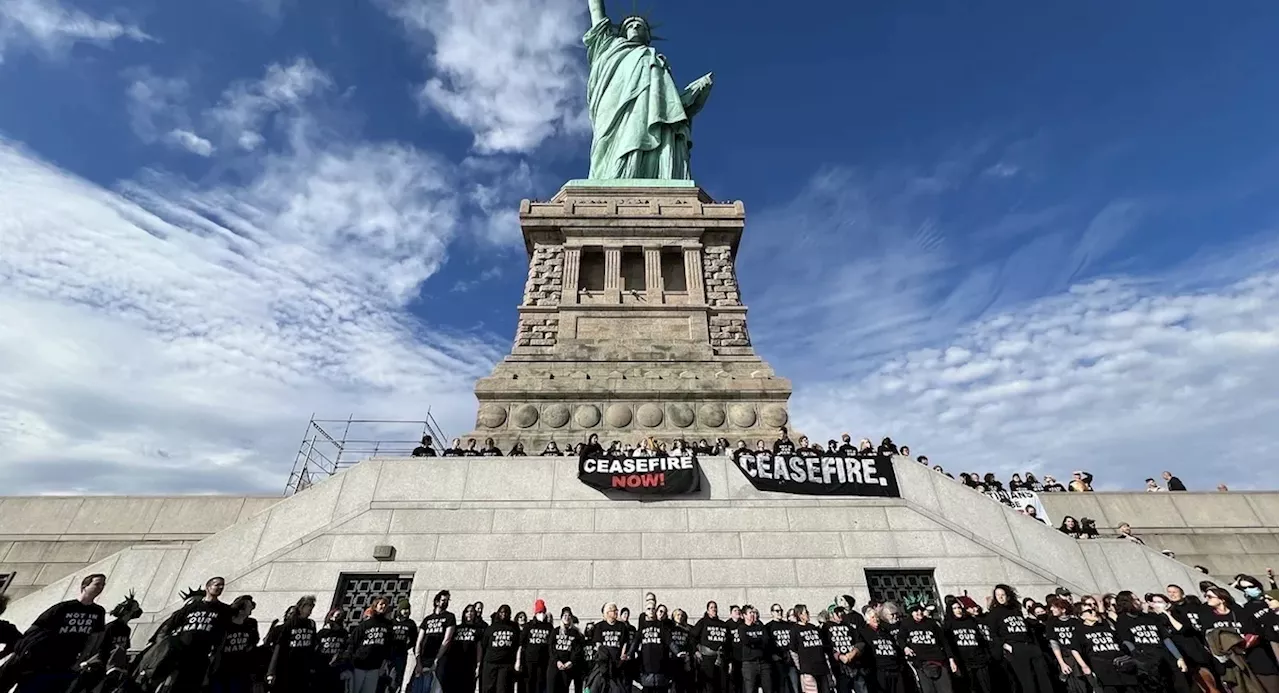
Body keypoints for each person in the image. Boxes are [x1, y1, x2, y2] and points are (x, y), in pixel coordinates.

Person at [0, 573, 107, 693]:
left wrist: (81, 660)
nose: (100, 587)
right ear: (84, 586)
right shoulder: (63, 608)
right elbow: (33, 630)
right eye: (97, 584)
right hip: (40, 660)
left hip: (65, 663)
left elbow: (94, 638)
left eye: (103, 585)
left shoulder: (98, 612)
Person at [988, 584, 1053, 693]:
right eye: (997, 595)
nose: (1000, 597)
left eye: (1003, 595)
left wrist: (1035, 646)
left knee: (1044, 677)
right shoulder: (994, 613)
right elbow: (993, 634)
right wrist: (1006, 646)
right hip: (1015, 647)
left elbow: (1027, 629)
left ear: (1008, 596)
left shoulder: (1016, 610)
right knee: (1027, 681)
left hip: (1029, 645)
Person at [897, 600, 957, 693]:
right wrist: (905, 647)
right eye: (916, 610)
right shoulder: (906, 623)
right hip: (920, 663)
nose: (919, 612)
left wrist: (951, 659)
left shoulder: (931, 623)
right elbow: (900, 638)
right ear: (911, 612)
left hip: (938, 661)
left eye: (920, 610)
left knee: (946, 690)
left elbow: (944, 641)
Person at [267, 595, 318, 693]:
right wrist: (271, 671)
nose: (310, 611)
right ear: (301, 607)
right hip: (288, 666)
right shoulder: (290, 624)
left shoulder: (311, 624)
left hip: (303, 668)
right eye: (309, 608)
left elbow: (312, 646)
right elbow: (279, 646)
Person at [208, 595, 259, 693]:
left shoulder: (251, 623)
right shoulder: (225, 623)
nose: (251, 608)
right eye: (249, 606)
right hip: (221, 666)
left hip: (241, 667)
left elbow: (254, 640)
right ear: (240, 610)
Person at [346, 595, 396, 693]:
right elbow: (353, 642)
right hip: (360, 664)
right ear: (375, 606)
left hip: (375, 667)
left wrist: (384, 663)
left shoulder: (389, 625)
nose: (383, 606)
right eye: (381, 604)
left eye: (385, 605)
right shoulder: (365, 624)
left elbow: (388, 645)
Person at [944, 597, 991, 693]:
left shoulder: (970, 621)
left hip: (979, 659)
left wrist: (985, 655)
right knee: (972, 688)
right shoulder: (948, 625)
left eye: (959, 608)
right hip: (964, 662)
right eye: (954, 608)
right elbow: (948, 644)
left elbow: (980, 639)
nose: (958, 610)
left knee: (987, 687)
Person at [414, 590, 457, 691]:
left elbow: (447, 639)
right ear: (437, 601)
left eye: (447, 600)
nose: (445, 602)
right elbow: (419, 641)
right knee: (420, 687)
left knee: (435, 687)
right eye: (443, 600)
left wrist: (437, 659)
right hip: (424, 657)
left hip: (440, 657)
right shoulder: (427, 619)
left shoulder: (449, 617)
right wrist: (418, 660)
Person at [819, 606, 866, 693]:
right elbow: (825, 646)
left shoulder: (849, 626)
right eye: (837, 612)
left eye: (841, 611)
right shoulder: (825, 628)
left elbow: (860, 642)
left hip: (854, 663)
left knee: (861, 688)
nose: (841, 614)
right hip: (838, 667)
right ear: (831, 614)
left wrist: (853, 653)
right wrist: (839, 656)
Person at [442, 604, 482, 693]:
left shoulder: (478, 630)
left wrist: (478, 665)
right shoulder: (457, 628)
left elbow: (479, 649)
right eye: (467, 611)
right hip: (453, 664)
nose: (469, 613)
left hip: (469, 665)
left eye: (472, 611)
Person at [789, 605, 830, 693]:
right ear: (800, 615)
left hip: (821, 667)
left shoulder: (813, 627)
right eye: (806, 612)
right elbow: (793, 650)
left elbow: (822, 647)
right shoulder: (795, 629)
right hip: (808, 669)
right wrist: (800, 667)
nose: (808, 614)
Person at [860, 606, 901, 693]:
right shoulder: (864, 633)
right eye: (873, 617)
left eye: (877, 617)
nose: (876, 619)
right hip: (879, 671)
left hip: (894, 669)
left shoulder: (885, 632)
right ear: (867, 620)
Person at [690, 602, 728, 693]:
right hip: (707, 658)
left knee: (721, 685)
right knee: (708, 686)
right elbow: (692, 637)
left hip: (720, 658)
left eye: (715, 607)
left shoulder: (722, 624)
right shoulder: (702, 622)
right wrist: (695, 651)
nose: (714, 609)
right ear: (707, 610)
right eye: (711, 607)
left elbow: (728, 641)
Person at [734, 606, 771, 693]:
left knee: (768, 688)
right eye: (750, 613)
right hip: (749, 663)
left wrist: (755, 642)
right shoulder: (742, 628)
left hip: (763, 662)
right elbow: (746, 641)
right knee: (750, 689)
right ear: (744, 615)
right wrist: (758, 640)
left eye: (753, 613)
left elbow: (766, 641)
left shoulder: (760, 627)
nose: (752, 615)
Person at [314, 609, 351, 693]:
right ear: (331, 617)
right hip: (321, 667)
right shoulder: (322, 633)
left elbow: (346, 649)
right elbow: (315, 648)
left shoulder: (343, 633)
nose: (340, 618)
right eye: (337, 615)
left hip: (336, 669)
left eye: (341, 616)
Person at [521, 599, 554, 693]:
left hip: (543, 660)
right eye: (539, 612)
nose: (542, 614)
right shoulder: (529, 626)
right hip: (530, 660)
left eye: (543, 612)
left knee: (540, 683)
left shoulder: (549, 627)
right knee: (529, 682)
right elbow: (522, 642)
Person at [549, 607, 584, 693]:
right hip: (554, 666)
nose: (566, 617)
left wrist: (571, 662)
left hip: (567, 667)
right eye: (564, 615)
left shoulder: (575, 633)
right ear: (561, 617)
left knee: (563, 689)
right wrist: (557, 661)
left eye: (569, 615)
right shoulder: (555, 631)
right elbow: (551, 648)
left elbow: (577, 650)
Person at [388, 599, 420, 692]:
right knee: (388, 676)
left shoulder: (410, 623)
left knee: (397, 677)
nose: (406, 611)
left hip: (401, 654)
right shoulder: (391, 623)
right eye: (404, 609)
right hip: (389, 654)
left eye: (408, 609)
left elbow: (414, 639)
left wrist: (407, 646)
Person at [764, 604, 797, 693]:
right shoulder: (768, 627)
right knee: (782, 685)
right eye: (777, 611)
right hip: (777, 660)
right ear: (772, 613)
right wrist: (773, 655)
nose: (779, 613)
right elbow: (767, 644)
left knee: (794, 685)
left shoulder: (788, 625)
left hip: (790, 659)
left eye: (781, 610)